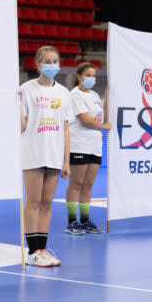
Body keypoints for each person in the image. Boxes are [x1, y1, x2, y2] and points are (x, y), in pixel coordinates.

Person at [19, 45, 73, 267]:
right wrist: (13, 105)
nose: (52, 65)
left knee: (47, 203)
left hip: (54, 154)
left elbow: (66, 127)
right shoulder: (26, 89)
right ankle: (32, 251)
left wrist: (66, 160)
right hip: (33, 152)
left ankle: (42, 249)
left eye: (55, 61)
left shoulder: (63, 93)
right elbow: (22, 125)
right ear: (38, 64)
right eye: (47, 62)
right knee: (32, 202)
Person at [65, 63, 111, 235]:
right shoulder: (75, 95)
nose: (92, 78)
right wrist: (104, 126)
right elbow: (84, 119)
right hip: (79, 145)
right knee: (76, 184)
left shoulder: (94, 95)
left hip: (95, 146)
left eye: (94, 75)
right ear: (79, 76)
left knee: (88, 185)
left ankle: (84, 221)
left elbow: (101, 115)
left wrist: (107, 96)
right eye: (88, 75)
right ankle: (71, 222)